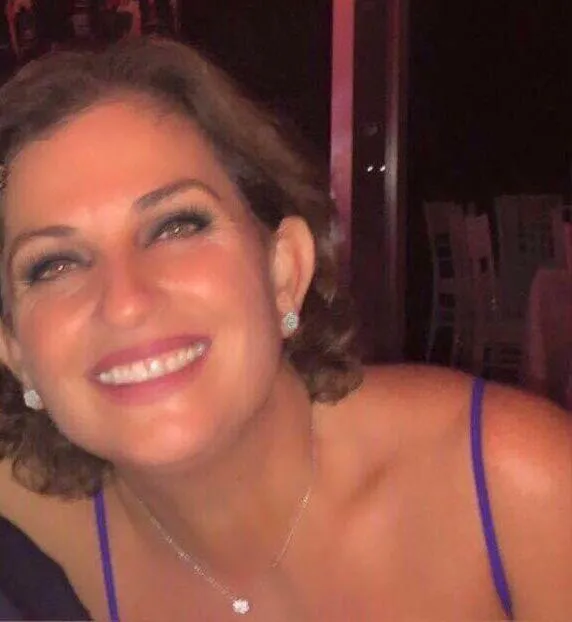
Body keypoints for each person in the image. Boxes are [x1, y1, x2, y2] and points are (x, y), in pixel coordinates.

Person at [0, 37, 569, 622]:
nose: (124, 303)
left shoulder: (510, 488)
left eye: (176, 227)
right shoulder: (43, 521)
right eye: (53, 265)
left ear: (284, 271)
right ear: (15, 350)